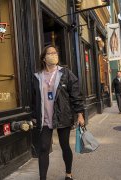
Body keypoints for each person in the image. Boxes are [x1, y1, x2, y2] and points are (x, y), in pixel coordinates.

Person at [31, 45, 85, 180]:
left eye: (55, 52)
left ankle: (68, 173)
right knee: (43, 148)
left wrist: (80, 114)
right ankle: (42, 178)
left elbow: (76, 94)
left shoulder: (65, 73)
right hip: (45, 117)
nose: (54, 55)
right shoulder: (37, 76)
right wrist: (34, 117)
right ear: (44, 58)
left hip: (63, 115)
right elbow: (33, 99)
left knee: (64, 145)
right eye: (50, 53)